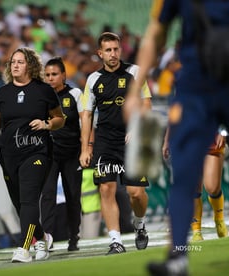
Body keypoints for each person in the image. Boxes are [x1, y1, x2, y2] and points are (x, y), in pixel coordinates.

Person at [123, 1, 229, 275]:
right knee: (184, 175)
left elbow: (155, 34)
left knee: (186, 178)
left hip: (206, 85)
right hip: (196, 88)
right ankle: (177, 257)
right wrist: (136, 89)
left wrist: (136, 89)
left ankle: (177, 258)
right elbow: (155, 33)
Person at [0, 47, 65, 263]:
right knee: (20, 204)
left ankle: (25, 248)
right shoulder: (3, 93)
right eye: (13, 62)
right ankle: (43, 237)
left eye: (20, 62)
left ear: (30, 66)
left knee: (28, 200)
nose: (15, 65)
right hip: (9, 155)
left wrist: (46, 124)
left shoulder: (44, 90)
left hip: (37, 152)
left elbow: (59, 119)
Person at [79, 32, 152, 255]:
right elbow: (87, 115)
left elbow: (146, 103)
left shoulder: (134, 72)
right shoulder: (92, 80)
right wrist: (85, 148)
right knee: (106, 188)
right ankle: (115, 240)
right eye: (108, 50)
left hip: (131, 140)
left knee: (135, 193)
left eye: (116, 49)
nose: (113, 54)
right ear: (100, 53)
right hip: (105, 142)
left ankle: (139, 225)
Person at [41, 56, 83, 251]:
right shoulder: (41, 96)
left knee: (72, 195)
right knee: (47, 194)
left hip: (72, 153)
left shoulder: (74, 94)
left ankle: (73, 235)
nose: (50, 78)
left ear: (64, 75)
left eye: (54, 74)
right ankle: (47, 237)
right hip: (49, 152)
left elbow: (85, 121)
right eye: (47, 75)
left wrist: (86, 148)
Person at [163, 128, 228, 242]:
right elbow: (174, 113)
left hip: (212, 136)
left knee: (212, 188)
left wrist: (223, 132)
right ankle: (196, 230)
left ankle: (219, 219)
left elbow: (225, 110)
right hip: (187, 139)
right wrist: (167, 140)